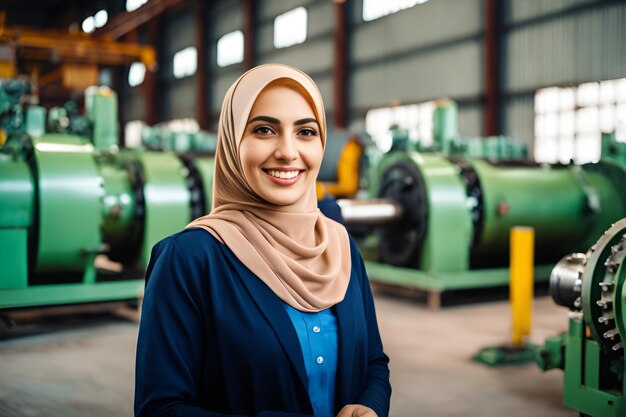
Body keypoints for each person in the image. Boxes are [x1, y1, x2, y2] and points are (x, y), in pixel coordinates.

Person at [134, 64, 391, 417]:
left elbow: (374, 362)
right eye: (264, 129)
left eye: (305, 132)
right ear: (232, 141)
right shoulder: (189, 260)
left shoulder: (341, 247)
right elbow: (160, 409)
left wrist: (370, 406)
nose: (288, 151)